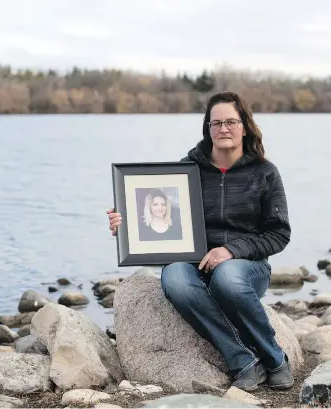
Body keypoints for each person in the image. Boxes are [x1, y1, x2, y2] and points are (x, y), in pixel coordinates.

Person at [106, 91, 294, 392]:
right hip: (194, 263)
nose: (223, 129)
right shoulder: (185, 170)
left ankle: (275, 358)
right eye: (216, 122)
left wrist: (231, 250)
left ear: (244, 126)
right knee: (175, 278)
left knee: (227, 278)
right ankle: (243, 360)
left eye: (231, 122)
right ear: (208, 128)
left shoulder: (265, 173)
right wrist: (126, 223)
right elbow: (160, 216)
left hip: (246, 268)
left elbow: (279, 233)